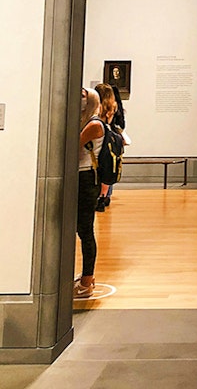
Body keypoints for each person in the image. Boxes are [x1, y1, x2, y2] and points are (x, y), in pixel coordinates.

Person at [75, 88, 104, 298]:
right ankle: (85, 276)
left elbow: (73, 146)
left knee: (85, 230)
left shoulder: (93, 124)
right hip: (80, 176)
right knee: (80, 228)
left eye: (83, 96)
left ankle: (87, 279)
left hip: (86, 178)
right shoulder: (86, 121)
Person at [94, 82, 125, 211]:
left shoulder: (95, 107)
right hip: (108, 138)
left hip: (101, 140)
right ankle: (104, 196)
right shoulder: (112, 106)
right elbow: (120, 123)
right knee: (108, 165)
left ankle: (101, 196)